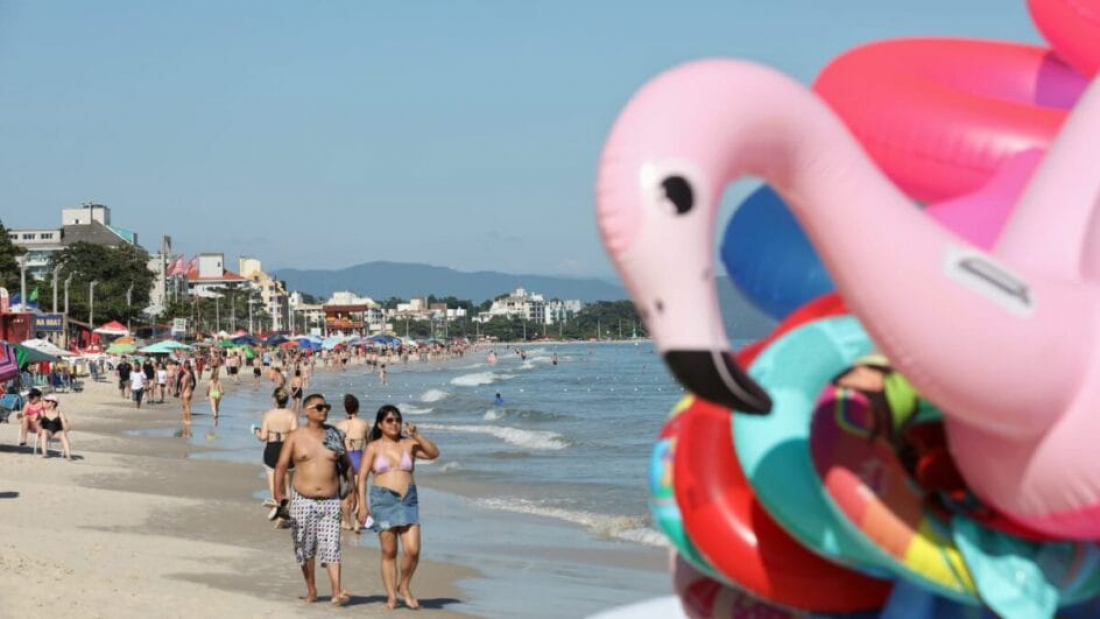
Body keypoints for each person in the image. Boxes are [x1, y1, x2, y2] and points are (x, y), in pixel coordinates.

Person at [273, 394, 354, 606]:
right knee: (304, 548)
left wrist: (352, 491)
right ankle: (312, 590)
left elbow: (346, 465)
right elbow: (281, 466)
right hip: (302, 500)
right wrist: (278, 494)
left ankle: (336, 592)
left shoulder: (334, 435)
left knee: (332, 546)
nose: (324, 410)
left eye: (326, 406)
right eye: (319, 407)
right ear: (307, 411)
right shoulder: (296, 436)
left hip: (330, 501)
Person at [357, 405, 440, 610]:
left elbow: (433, 453)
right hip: (383, 501)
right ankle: (392, 595)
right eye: (389, 420)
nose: (395, 424)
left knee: (413, 550)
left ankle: (404, 586)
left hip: (407, 500)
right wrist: (362, 506)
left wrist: (417, 435)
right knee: (389, 551)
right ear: (380, 424)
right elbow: (362, 478)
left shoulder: (409, 444)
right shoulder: (373, 447)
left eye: (397, 420)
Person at [255, 388, 299, 510]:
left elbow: (263, 437)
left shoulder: (268, 415)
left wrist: (257, 433)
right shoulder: (291, 415)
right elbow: (295, 436)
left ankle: (278, 510)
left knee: (273, 485)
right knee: (287, 487)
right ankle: (285, 513)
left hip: (272, 449)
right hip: (287, 449)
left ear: (274, 399)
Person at [335, 393, 370, 532]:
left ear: (345, 408)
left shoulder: (340, 424)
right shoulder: (364, 423)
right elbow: (370, 443)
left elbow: (336, 446)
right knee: (360, 491)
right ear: (358, 408)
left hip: (345, 458)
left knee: (345, 492)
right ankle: (357, 523)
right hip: (359, 457)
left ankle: (346, 522)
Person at [37, 394, 72, 460]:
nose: (45, 402)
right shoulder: (42, 412)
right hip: (47, 432)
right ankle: (44, 453)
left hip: (57, 432)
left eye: (47, 401)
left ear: (53, 403)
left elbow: (65, 424)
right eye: (45, 401)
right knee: (44, 431)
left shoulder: (60, 413)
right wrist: (39, 429)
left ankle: (68, 456)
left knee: (63, 434)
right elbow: (37, 423)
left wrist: (66, 428)